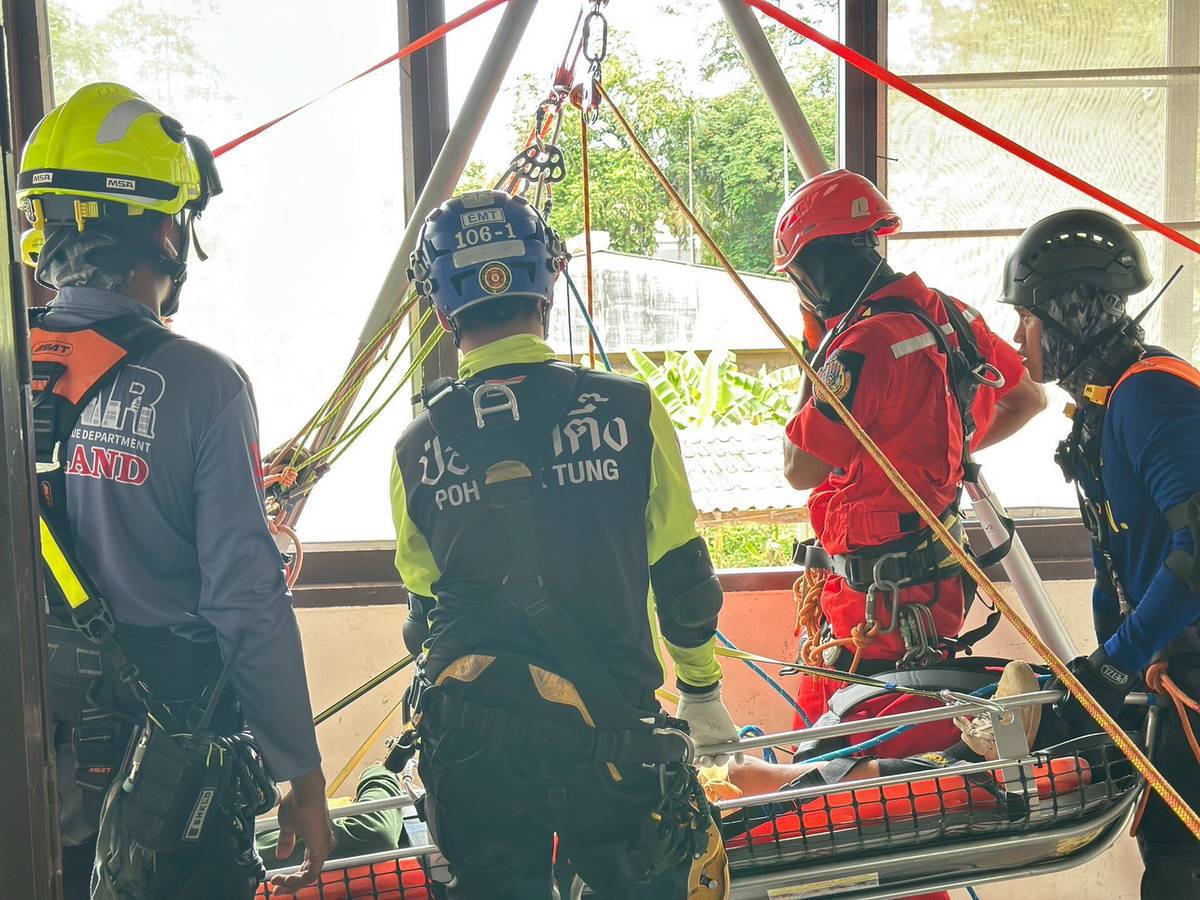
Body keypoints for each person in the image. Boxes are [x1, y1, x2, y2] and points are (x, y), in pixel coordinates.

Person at [16, 83, 332, 898]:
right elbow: (245, 597)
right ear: (165, 229)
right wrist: (299, 770)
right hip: (161, 776)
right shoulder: (201, 386)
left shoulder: (11, 366)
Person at [390, 189, 734, 899]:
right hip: (613, 741)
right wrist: (700, 692)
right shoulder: (630, 410)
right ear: (546, 285)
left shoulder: (415, 450)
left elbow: (426, 613)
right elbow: (681, 576)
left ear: (442, 308)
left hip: (472, 747)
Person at [776, 169, 1045, 727]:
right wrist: (941, 456)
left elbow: (800, 468)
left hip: (875, 602)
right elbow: (1028, 400)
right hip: (929, 581)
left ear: (816, 267)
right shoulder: (952, 315)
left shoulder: (861, 346)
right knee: (902, 731)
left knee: (842, 747)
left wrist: (815, 350)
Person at [1002, 208, 1200, 897]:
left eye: (1027, 318)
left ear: (1069, 314)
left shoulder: (1150, 396)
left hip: (1187, 668)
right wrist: (1102, 669)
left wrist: (1119, 660)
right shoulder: (1105, 404)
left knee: (1179, 866)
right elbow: (1116, 559)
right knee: (1169, 854)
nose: (1017, 337)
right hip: (1168, 671)